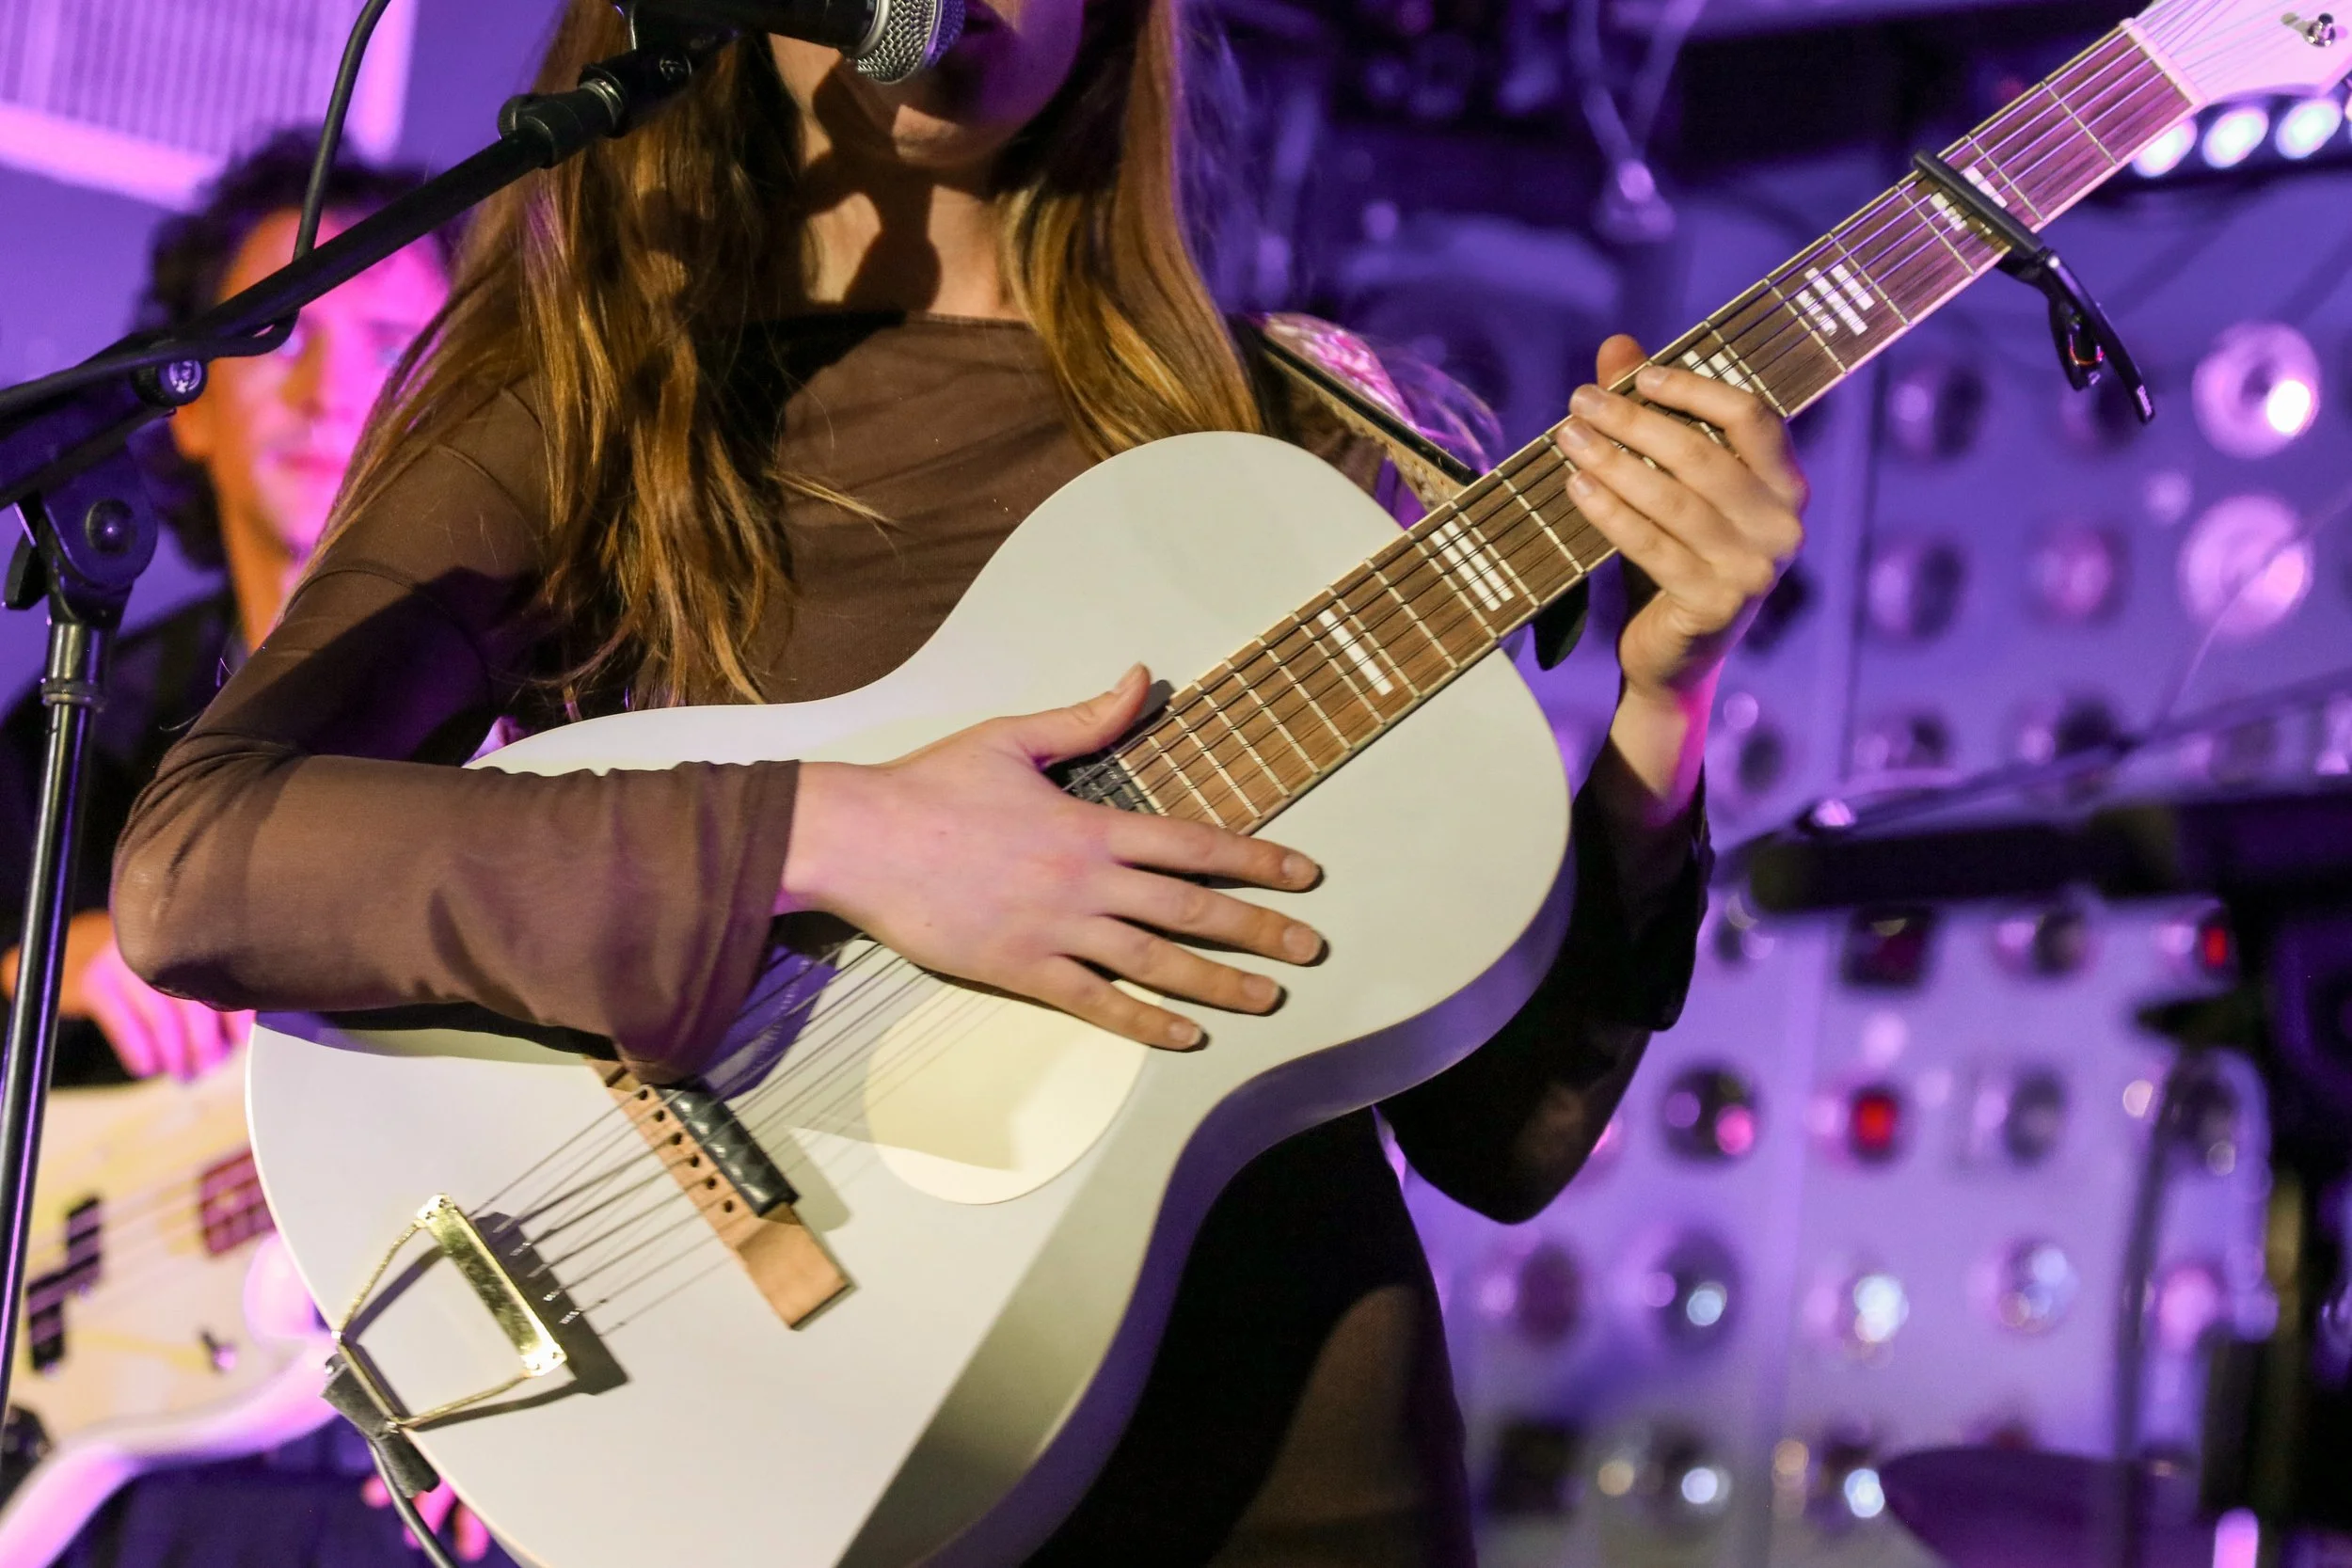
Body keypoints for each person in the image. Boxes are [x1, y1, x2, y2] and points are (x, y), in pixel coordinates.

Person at [111, 0, 1807, 1561]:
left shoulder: (1298, 429)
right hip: (802, 1446)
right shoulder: (597, 401)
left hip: (1294, 1481)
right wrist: (839, 830)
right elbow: (203, 864)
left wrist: (1664, 707)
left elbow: (1496, 1134)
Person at [0, 133, 500, 1565]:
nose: (329, 382)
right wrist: (57, 951)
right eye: (276, 332)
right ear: (189, 403)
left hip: (394, 1430)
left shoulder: (552, 697)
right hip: (124, 1428)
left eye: (392, 338)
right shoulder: (80, 712)